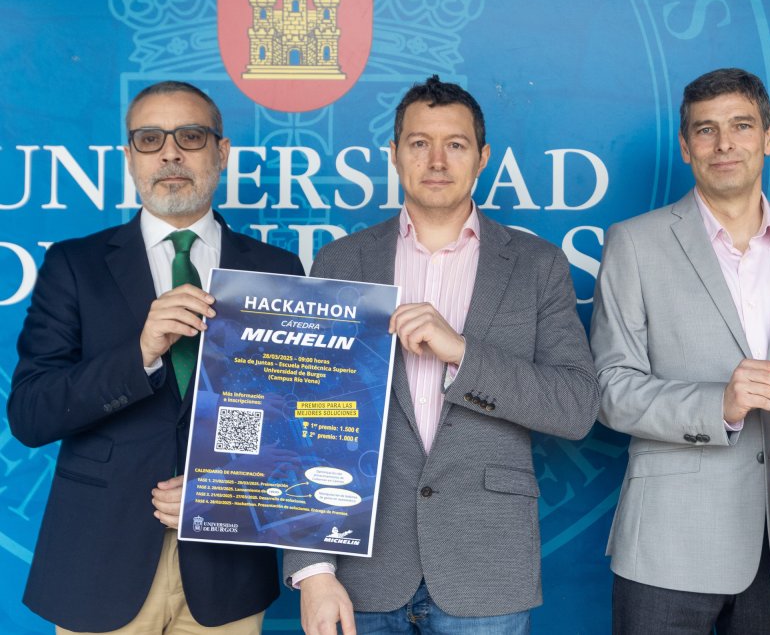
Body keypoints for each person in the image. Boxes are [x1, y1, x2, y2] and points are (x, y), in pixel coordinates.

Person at [284, 75, 600, 635]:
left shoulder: (535, 264)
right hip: (361, 569)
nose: (436, 159)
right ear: (394, 155)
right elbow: (302, 421)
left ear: (482, 158)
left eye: (454, 144)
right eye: (418, 142)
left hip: (486, 570)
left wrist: (461, 352)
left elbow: (575, 406)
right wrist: (311, 570)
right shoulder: (342, 261)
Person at [8, 81, 303, 633]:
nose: (170, 153)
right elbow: (30, 414)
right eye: (149, 139)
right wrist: (139, 354)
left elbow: (294, 425)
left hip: (227, 567)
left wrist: (222, 491)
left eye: (190, 136)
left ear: (222, 152)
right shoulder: (75, 265)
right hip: (99, 565)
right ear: (129, 158)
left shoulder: (277, 271)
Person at [590, 68, 770, 634]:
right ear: (685, 147)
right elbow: (610, 389)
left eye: (741, 126)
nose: (724, 144)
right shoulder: (635, 242)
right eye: (706, 130)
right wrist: (719, 406)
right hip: (670, 542)